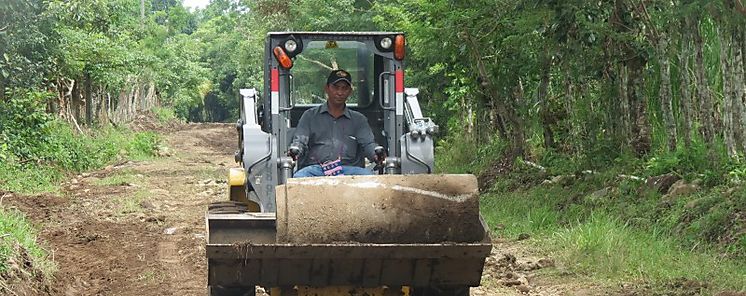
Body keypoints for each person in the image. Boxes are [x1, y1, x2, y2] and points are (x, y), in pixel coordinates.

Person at [288, 69, 384, 177]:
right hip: (317, 169)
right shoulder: (309, 116)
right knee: (299, 177)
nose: (340, 92)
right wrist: (295, 151)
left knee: (368, 176)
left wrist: (376, 154)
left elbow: (368, 144)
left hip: (348, 169)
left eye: (344, 88)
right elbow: (300, 141)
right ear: (327, 88)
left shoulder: (359, 120)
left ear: (350, 91)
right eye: (336, 87)